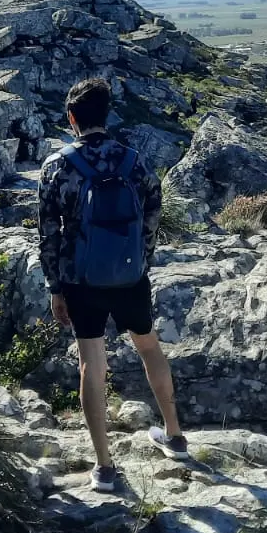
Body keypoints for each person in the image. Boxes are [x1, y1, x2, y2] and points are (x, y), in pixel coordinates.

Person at [39, 77, 187, 493]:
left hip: (81, 277)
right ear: (107, 115)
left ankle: (104, 466)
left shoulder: (57, 166)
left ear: (72, 118)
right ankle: (175, 437)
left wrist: (55, 287)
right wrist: (141, 262)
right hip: (129, 273)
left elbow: (48, 232)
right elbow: (153, 215)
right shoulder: (134, 161)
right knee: (149, 347)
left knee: (92, 362)